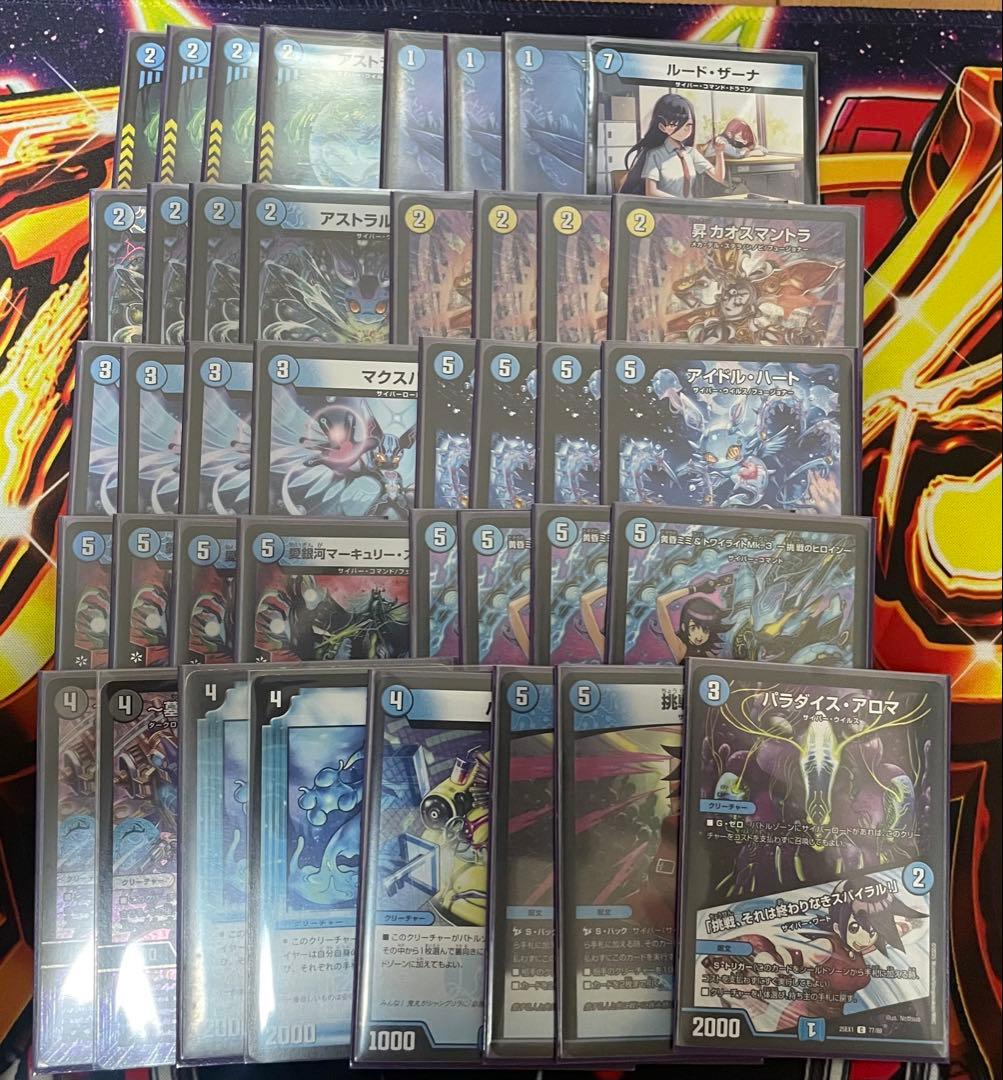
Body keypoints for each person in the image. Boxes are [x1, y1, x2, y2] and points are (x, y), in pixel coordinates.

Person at [619, 93, 726, 198]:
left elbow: (719, 177)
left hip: (689, 207)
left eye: (688, 125)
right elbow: (651, 192)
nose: (684, 129)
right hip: (667, 207)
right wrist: (680, 203)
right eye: (675, 124)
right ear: (662, 127)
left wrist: (719, 152)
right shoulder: (655, 155)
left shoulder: (691, 153)